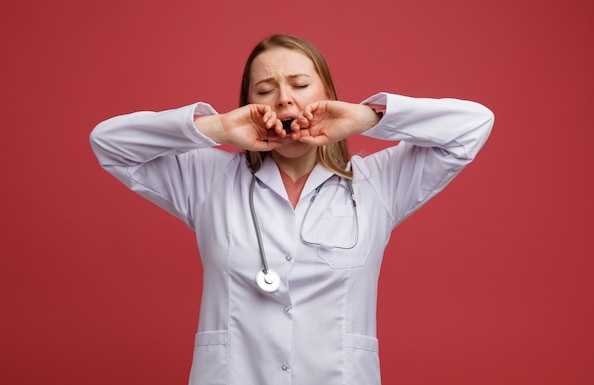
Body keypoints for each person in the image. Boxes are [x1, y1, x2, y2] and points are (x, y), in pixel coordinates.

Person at [89, 34, 494, 385]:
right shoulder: (207, 180)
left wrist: (368, 118)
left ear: (327, 94)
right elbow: (108, 143)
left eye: (300, 84)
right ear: (248, 105)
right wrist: (218, 129)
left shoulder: (377, 183)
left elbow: (473, 125)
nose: (284, 98)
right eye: (264, 91)